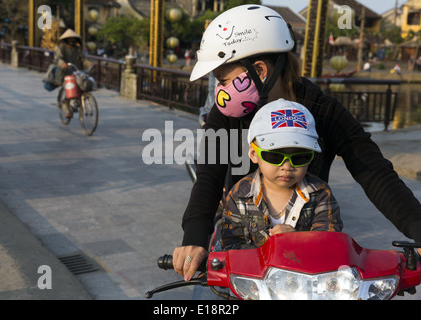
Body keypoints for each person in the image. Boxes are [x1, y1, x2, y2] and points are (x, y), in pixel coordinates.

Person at [172, 5, 421, 284]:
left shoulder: (322, 109)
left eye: (224, 80)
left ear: (259, 70)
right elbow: (208, 175)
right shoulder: (228, 113)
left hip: (307, 251)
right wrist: (194, 238)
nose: (220, 92)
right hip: (242, 248)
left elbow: (374, 172)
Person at [220, 99, 343, 251]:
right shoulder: (240, 194)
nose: (287, 166)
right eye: (274, 157)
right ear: (254, 154)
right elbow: (231, 244)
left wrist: (298, 239)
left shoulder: (320, 193)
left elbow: (330, 241)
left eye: (300, 157)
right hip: (255, 274)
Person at [53, 29, 91, 118]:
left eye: (73, 39)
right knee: (67, 91)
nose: (72, 41)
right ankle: (67, 110)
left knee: (82, 86)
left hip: (76, 71)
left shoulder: (78, 49)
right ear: (66, 39)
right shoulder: (61, 48)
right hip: (64, 73)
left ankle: (78, 103)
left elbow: (83, 58)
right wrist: (62, 63)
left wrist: (89, 64)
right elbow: (57, 58)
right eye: (70, 39)